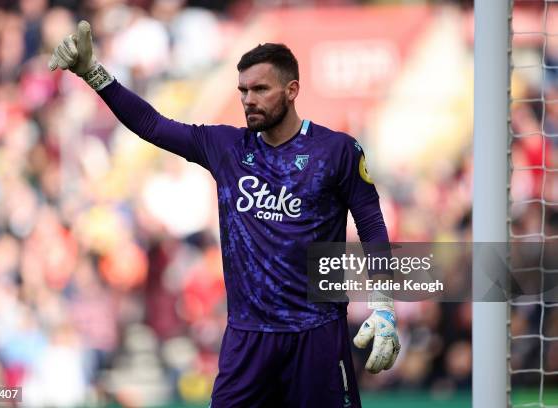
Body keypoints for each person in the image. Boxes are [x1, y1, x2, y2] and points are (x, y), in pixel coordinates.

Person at [49, 21, 400, 408]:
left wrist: (383, 304)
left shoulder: (336, 151)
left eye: (260, 89)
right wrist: (93, 74)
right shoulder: (226, 148)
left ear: (292, 90)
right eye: (243, 91)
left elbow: (370, 223)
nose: (248, 99)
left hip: (316, 334)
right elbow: (151, 124)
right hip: (247, 339)